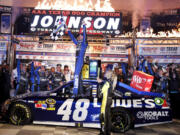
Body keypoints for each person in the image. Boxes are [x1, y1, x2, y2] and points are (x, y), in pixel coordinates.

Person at [97, 64, 113, 135]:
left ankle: (104, 132)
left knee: (103, 117)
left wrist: (100, 83)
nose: (105, 73)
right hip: (108, 101)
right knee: (107, 117)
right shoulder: (110, 81)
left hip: (106, 101)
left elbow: (101, 92)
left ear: (108, 74)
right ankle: (107, 132)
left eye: (106, 72)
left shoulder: (107, 82)